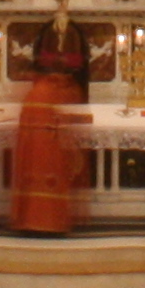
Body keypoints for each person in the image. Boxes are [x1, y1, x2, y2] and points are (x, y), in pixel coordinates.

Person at [11, 27, 87, 235]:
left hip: (35, 151)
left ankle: (31, 220)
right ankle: (51, 222)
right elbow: (75, 122)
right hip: (53, 150)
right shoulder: (67, 92)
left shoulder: (35, 92)